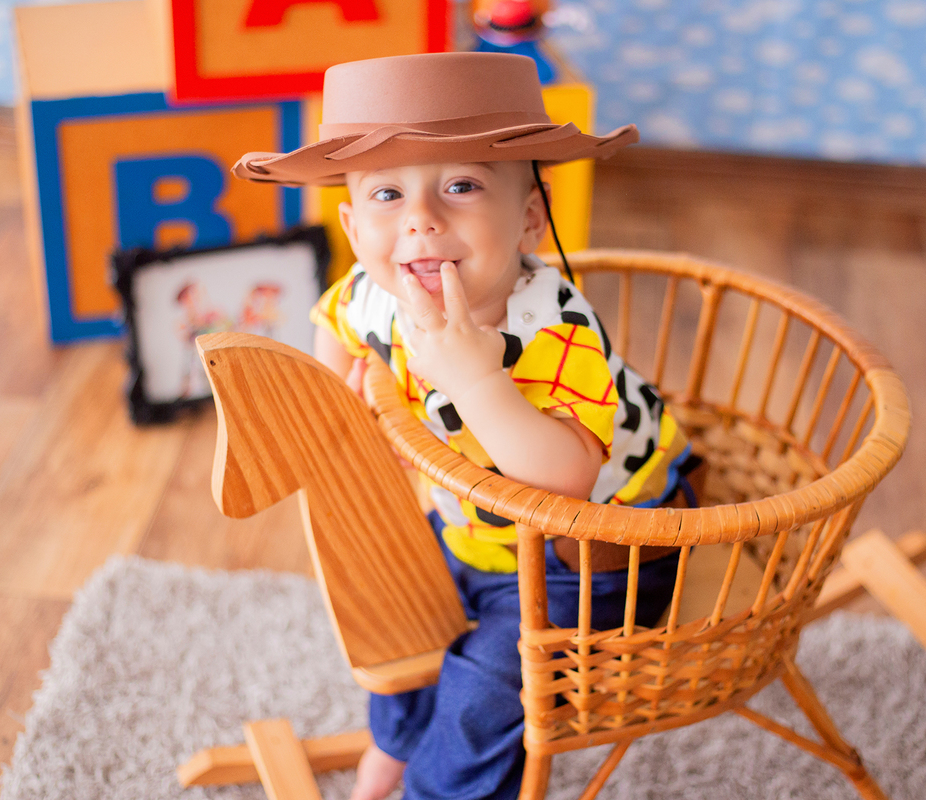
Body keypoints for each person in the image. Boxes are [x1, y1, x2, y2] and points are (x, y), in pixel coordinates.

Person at [232, 52, 695, 800]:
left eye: (461, 185)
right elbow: (334, 328)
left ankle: (437, 787)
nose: (420, 219)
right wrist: (343, 407)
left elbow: (566, 482)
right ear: (353, 227)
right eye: (388, 194)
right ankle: (395, 743)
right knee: (397, 609)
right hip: (464, 523)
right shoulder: (370, 290)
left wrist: (478, 381)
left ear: (530, 217)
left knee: (489, 690)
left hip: (594, 550)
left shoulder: (556, 329)